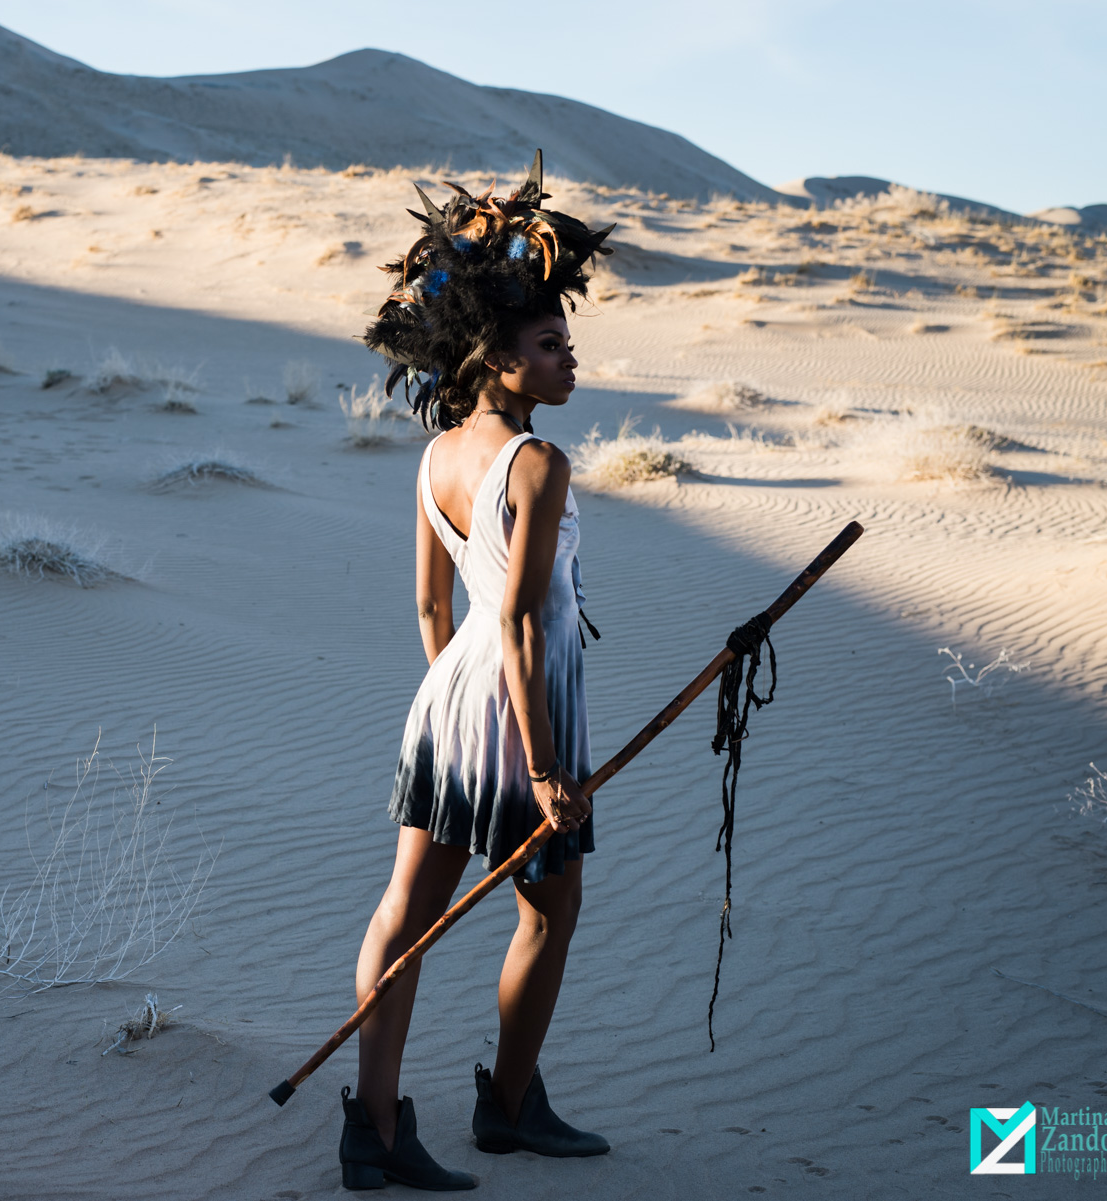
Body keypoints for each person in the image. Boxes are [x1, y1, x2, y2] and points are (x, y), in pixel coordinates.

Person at [337, 165, 615, 1191]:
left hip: (448, 703)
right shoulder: (538, 465)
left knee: (402, 915)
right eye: (549, 345)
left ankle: (373, 1126)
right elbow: (522, 623)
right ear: (498, 359)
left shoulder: (438, 456)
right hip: (525, 712)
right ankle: (507, 1106)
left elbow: (433, 611)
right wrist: (540, 769)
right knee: (550, 906)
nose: (569, 356)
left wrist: (458, 710)